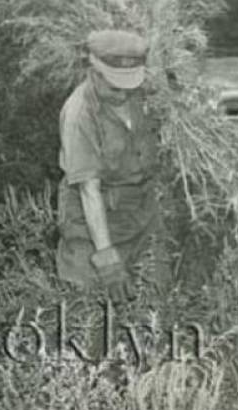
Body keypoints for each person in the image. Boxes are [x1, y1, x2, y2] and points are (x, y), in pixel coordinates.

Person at [56, 29, 160, 301]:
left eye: (130, 84)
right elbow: (89, 191)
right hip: (92, 230)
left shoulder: (142, 96)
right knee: (93, 310)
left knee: (152, 306)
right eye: (115, 85)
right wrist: (107, 260)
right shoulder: (79, 114)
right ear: (94, 70)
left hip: (138, 218)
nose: (124, 93)